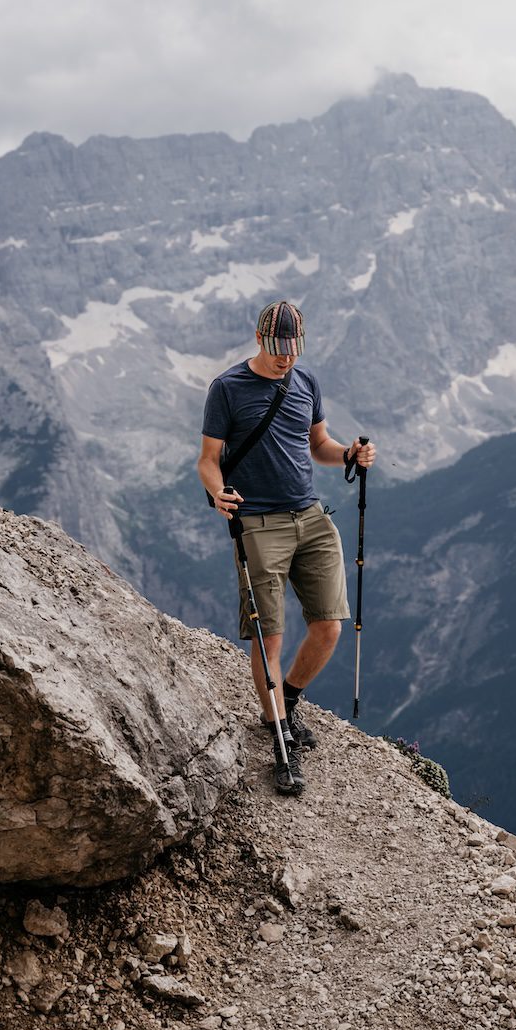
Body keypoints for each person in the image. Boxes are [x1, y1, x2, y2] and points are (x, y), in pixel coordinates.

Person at [198, 300, 375, 795]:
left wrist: (350, 455)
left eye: (293, 350)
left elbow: (317, 444)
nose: (285, 359)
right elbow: (208, 459)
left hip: (311, 516)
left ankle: (289, 702)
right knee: (268, 637)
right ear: (260, 339)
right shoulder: (227, 388)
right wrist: (218, 492)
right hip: (258, 522)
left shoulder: (307, 382)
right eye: (278, 349)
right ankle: (278, 739)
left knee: (329, 627)